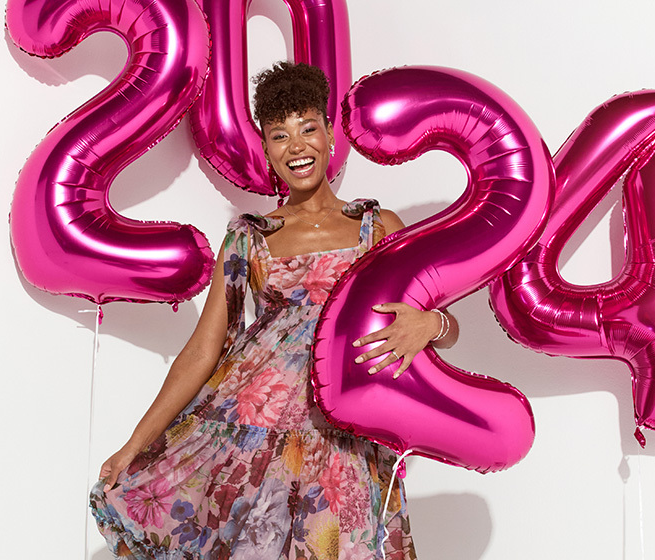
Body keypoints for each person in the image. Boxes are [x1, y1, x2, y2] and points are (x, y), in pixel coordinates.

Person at [90, 61, 459, 559]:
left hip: (344, 442)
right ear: (266, 150)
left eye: (308, 128)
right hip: (253, 444)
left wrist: (429, 324)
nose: (297, 146)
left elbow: (450, 326)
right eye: (280, 135)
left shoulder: (377, 227)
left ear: (330, 135)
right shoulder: (247, 238)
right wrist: (135, 444)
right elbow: (203, 349)